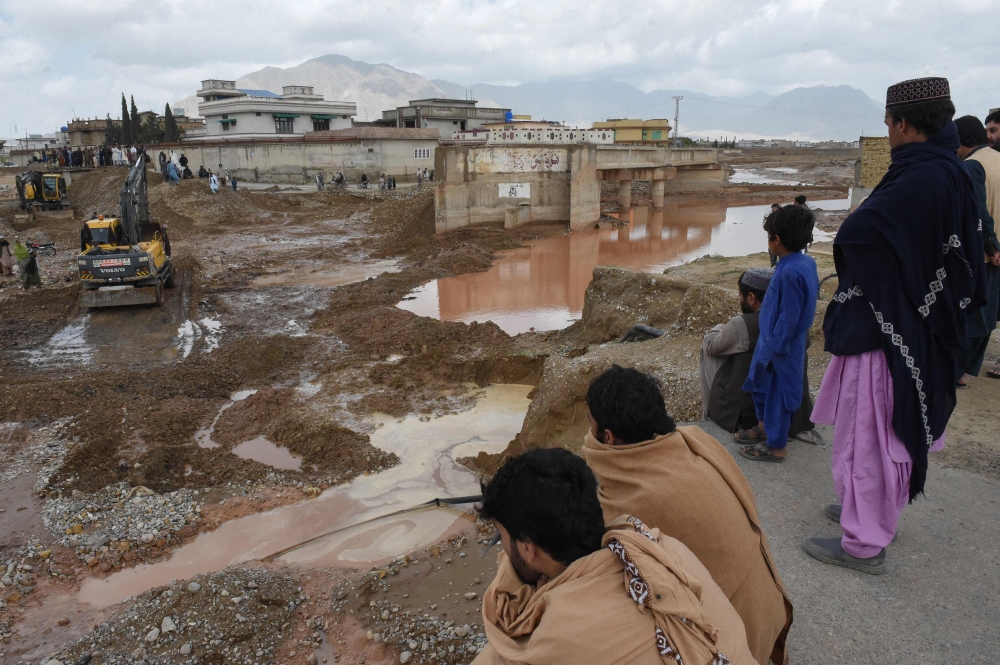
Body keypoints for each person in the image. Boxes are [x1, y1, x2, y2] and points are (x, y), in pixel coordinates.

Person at [806, 77, 986, 574]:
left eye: (887, 123)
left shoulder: (924, 178)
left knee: (874, 431)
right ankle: (866, 511)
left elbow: (864, 233)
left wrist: (857, 226)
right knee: (869, 428)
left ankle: (863, 542)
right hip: (902, 328)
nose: (886, 132)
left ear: (904, 123)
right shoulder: (940, 170)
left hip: (892, 332)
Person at [583, 366, 792, 665]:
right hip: (768, 614)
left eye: (591, 427)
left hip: (738, 645)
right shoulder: (695, 441)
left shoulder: (632, 501)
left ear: (608, 436)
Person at [474, 448, 756, 665]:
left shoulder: (561, 634)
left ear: (527, 548)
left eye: (504, 538)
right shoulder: (661, 546)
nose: (503, 551)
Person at [735, 205, 819, 462]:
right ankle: (763, 428)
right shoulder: (801, 263)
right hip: (770, 342)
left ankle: (776, 446)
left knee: (777, 397)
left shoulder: (792, 272)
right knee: (760, 387)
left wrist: (776, 347)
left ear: (777, 239)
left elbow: (790, 317)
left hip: (781, 347)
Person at [701, 268, 818, 441]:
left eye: (741, 296)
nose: (740, 300)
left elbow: (711, 346)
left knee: (707, 350)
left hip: (751, 416)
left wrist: (719, 328)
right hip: (796, 414)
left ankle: (708, 415)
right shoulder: (796, 320)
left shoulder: (742, 324)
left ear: (751, 298)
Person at [953, 116, 1000, 384]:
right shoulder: (997, 158)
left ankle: (958, 373)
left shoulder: (973, 166)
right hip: (995, 254)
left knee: (972, 315)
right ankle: (964, 371)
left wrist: (991, 246)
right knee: (987, 315)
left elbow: (977, 212)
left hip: (983, 254)